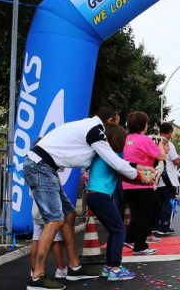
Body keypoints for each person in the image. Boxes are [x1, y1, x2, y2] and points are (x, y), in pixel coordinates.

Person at [23, 105, 154, 290]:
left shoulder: (87, 127)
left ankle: (74, 267)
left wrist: (138, 169)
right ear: (110, 121)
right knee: (53, 220)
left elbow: (115, 160)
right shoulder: (95, 131)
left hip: (45, 167)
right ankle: (36, 277)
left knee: (69, 215)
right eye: (117, 123)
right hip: (41, 167)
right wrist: (141, 176)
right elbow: (114, 161)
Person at [86, 124, 139, 281]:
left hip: (96, 195)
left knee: (114, 229)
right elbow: (126, 170)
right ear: (117, 138)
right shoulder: (112, 155)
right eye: (124, 139)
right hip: (100, 195)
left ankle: (109, 267)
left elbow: (124, 173)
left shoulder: (104, 154)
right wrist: (144, 176)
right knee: (118, 230)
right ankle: (115, 268)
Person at [122, 111, 167, 255]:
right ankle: (140, 246)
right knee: (150, 213)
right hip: (143, 182)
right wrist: (160, 145)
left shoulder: (126, 139)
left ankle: (129, 238)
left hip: (127, 183)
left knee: (138, 213)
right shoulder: (144, 140)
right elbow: (161, 156)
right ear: (143, 125)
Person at [153, 122, 180, 236]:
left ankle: (155, 226)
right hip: (170, 180)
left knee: (158, 205)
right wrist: (179, 158)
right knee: (169, 204)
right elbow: (176, 161)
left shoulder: (155, 142)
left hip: (158, 180)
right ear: (170, 132)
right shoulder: (168, 144)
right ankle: (164, 227)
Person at [30, 200, 67, 281]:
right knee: (55, 239)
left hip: (36, 206)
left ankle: (34, 271)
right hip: (50, 207)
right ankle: (61, 269)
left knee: (36, 238)